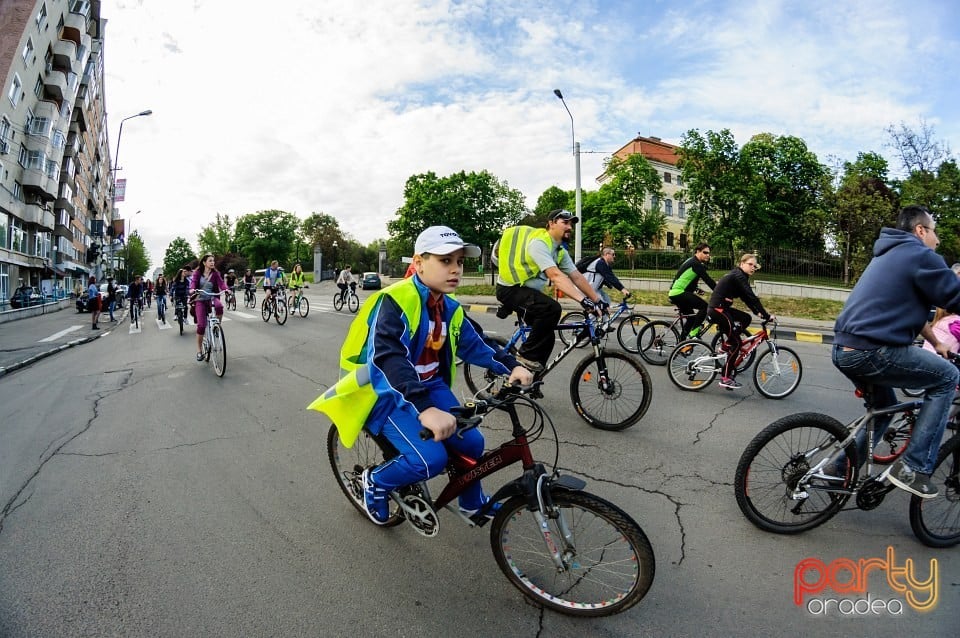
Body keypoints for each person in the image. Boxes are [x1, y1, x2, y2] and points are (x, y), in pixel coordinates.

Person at [308, 226, 533, 525]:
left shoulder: (449, 307)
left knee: (472, 443)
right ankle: (375, 482)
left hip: (426, 385)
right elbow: (389, 358)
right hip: (382, 389)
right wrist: (426, 409)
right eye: (445, 261)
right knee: (430, 459)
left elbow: (476, 344)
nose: (455, 269)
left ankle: (471, 501)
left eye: (459, 262)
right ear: (419, 262)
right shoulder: (395, 299)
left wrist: (511, 365)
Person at [833, 205, 960, 498]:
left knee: (884, 410)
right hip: (871, 351)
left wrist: (937, 342)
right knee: (946, 378)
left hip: (845, 347)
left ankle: (836, 470)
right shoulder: (920, 255)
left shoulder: (889, 254)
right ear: (920, 231)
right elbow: (954, 295)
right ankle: (913, 468)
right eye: (934, 231)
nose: (937, 240)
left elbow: (903, 310)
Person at [495, 209, 603, 370]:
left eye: (571, 224)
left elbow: (577, 277)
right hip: (511, 289)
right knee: (551, 309)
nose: (569, 227)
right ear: (551, 224)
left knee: (547, 336)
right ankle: (523, 357)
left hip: (527, 292)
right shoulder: (539, 243)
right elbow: (555, 276)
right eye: (565, 223)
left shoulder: (559, 251)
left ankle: (532, 376)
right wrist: (583, 300)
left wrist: (598, 301)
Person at [706, 253, 773, 390]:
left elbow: (746, 298)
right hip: (718, 310)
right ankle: (725, 377)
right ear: (741, 264)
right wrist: (766, 315)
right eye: (750, 264)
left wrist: (757, 313)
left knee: (745, 318)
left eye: (755, 266)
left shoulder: (741, 277)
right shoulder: (738, 276)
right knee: (736, 344)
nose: (753, 268)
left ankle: (727, 343)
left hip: (722, 309)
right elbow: (752, 297)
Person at [669, 243, 717, 340]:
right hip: (679, 293)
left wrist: (696, 289)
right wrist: (720, 292)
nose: (708, 255)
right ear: (698, 252)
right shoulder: (696, 264)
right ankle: (693, 334)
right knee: (704, 307)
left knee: (691, 318)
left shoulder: (691, 261)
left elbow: (685, 279)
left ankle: (681, 344)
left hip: (675, 293)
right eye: (705, 252)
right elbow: (708, 281)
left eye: (709, 253)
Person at [189, 254, 229, 361]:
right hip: (200, 300)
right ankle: (199, 351)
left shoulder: (215, 273)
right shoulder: (197, 273)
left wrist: (226, 289)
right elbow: (193, 283)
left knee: (219, 306)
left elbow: (221, 283)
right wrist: (192, 289)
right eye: (210, 261)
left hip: (211, 297)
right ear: (204, 262)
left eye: (213, 261)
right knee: (201, 325)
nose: (212, 262)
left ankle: (217, 326)